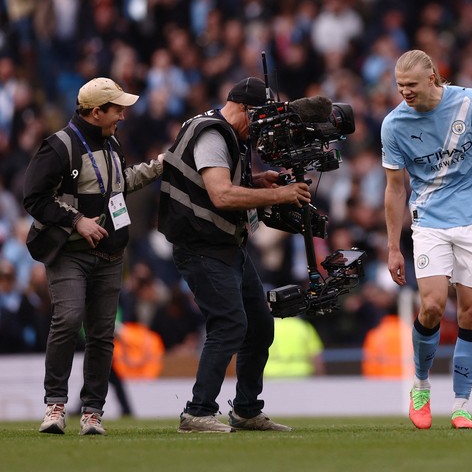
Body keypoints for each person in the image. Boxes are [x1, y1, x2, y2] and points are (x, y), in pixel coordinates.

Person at [158, 76, 310, 433]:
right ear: (244, 109)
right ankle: (197, 413)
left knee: (258, 326)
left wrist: (258, 181)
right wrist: (281, 195)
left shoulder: (228, 134)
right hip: (202, 246)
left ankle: (245, 410)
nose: (263, 128)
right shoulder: (213, 133)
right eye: (261, 117)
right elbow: (221, 195)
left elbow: (220, 183)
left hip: (226, 244)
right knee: (229, 324)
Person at [382, 50, 472, 430]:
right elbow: (395, 190)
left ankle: (461, 405)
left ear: (432, 78)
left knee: (471, 312)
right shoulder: (394, 125)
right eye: (399, 86)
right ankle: (421, 386)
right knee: (432, 306)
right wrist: (393, 245)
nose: (405, 92)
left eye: (411, 85)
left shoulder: (469, 102)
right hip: (429, 222)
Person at [22, 77, 163, 435]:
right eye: (117, 109)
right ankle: (54, 406)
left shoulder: (112, 143)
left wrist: (159, 165)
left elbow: (120, 184)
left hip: (111, 254)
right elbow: (34, 199)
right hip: (69, 254)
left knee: (102, 335)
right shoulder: (58, 147)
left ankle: (92, 412)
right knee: (68, 319)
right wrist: (77, 221)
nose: (122, 116)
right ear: (96, 112)